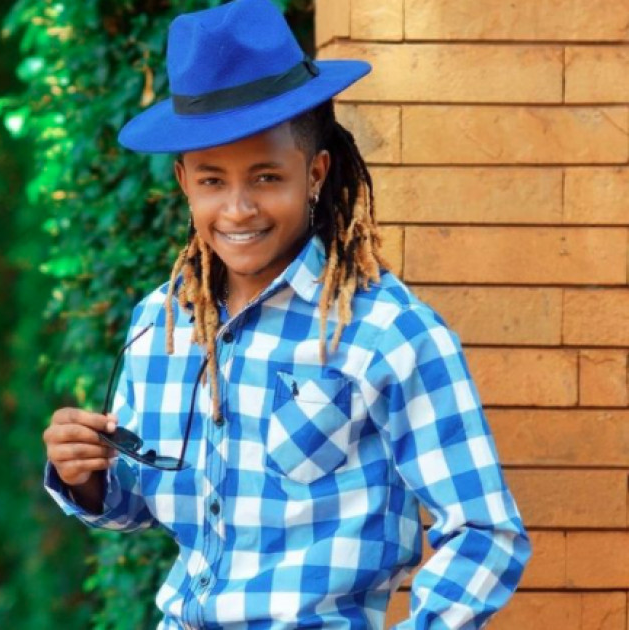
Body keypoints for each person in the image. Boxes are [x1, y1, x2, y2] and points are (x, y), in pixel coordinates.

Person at [42, 0, 532, 627]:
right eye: (212, 181)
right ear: (184, 182)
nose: (238, 209)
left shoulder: (387, 333)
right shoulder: (158, 324)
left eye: (266, 177)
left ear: (315, 173)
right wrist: (85, 476)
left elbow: (486, 532)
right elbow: (137, 505)